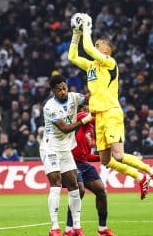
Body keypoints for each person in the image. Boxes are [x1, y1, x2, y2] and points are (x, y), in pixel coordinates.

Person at [68, 14, 153, 199]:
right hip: (99, 116)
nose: (97, 44)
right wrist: (75, 33)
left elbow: (87, 47)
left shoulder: (110, 63)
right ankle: (140, 177)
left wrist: (86, 28)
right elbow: (72, 56)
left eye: (101, 43)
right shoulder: (91, 67)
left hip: (111, 112)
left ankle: (152, 172)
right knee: (106, 161)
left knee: (118, 155)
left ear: (108, 50)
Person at [39, 76, 92, 236]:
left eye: (64, 87)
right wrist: (86, 119)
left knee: (75, 186)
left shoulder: (75, 97)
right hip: (51, 148)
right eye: (59, 89)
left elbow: (89, 98)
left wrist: (99, 93)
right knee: (56, 184)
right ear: (53, 91)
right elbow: (65, 128)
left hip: (65, 148)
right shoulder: (50, 107)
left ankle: (76, 227)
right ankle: (54, 227)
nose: (63, 91)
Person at [64, 111, 115, 236]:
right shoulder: (82, 117)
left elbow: (86, 156)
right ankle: (69, 229)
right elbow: (90, 117)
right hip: (71, 162)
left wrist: (104, 157)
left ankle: (102, 229)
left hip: (83, 164)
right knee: (79, 191)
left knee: (101, 191)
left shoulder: (91, 130)